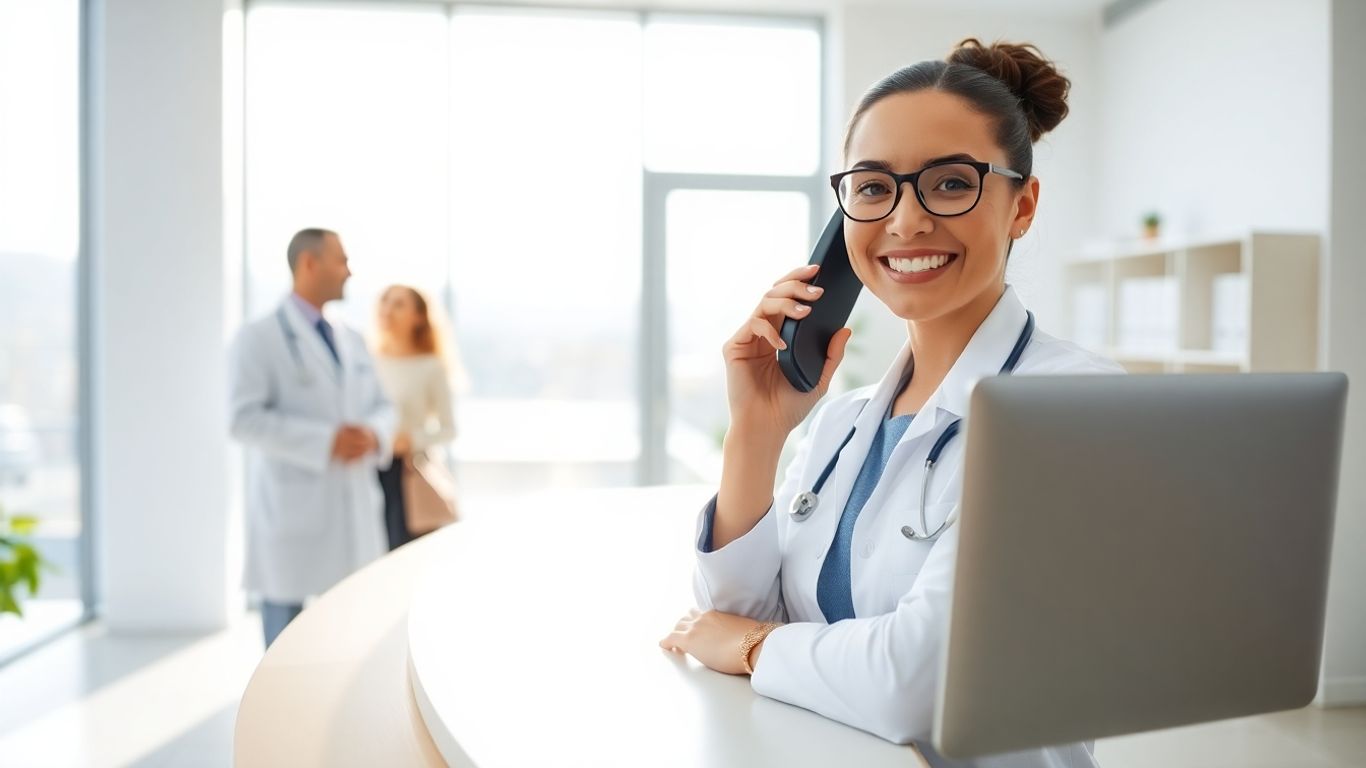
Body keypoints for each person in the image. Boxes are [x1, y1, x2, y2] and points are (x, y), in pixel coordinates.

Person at [659, 39, 1122, 766]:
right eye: (873, 188)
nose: (905, 222)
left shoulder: (1072, 407)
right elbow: (737, 617)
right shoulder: (841, 424)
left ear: (1022, 205)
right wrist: (757, 431)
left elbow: (920, 682)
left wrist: (752, 648)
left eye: (948, 183)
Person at [229, 228, 395, 648]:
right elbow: (243, 420)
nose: (349, 271)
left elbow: (384, 406)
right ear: (309, 263)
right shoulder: (259, 338)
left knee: (350, 641)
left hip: (353, 506)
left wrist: (373, 434)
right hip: (292, 515)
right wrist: (326, 441)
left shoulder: (352, 339)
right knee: (284, 651)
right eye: (341, 260)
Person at [372, 284, 458, 550]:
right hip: (367, 466)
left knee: (402, 553)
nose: (388, 309)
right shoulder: (367, 361)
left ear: (419, 317)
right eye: (385, 301)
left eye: (399, 304)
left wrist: (411, 440)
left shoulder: (430, 367)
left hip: (407, 474)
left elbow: (449, 429)